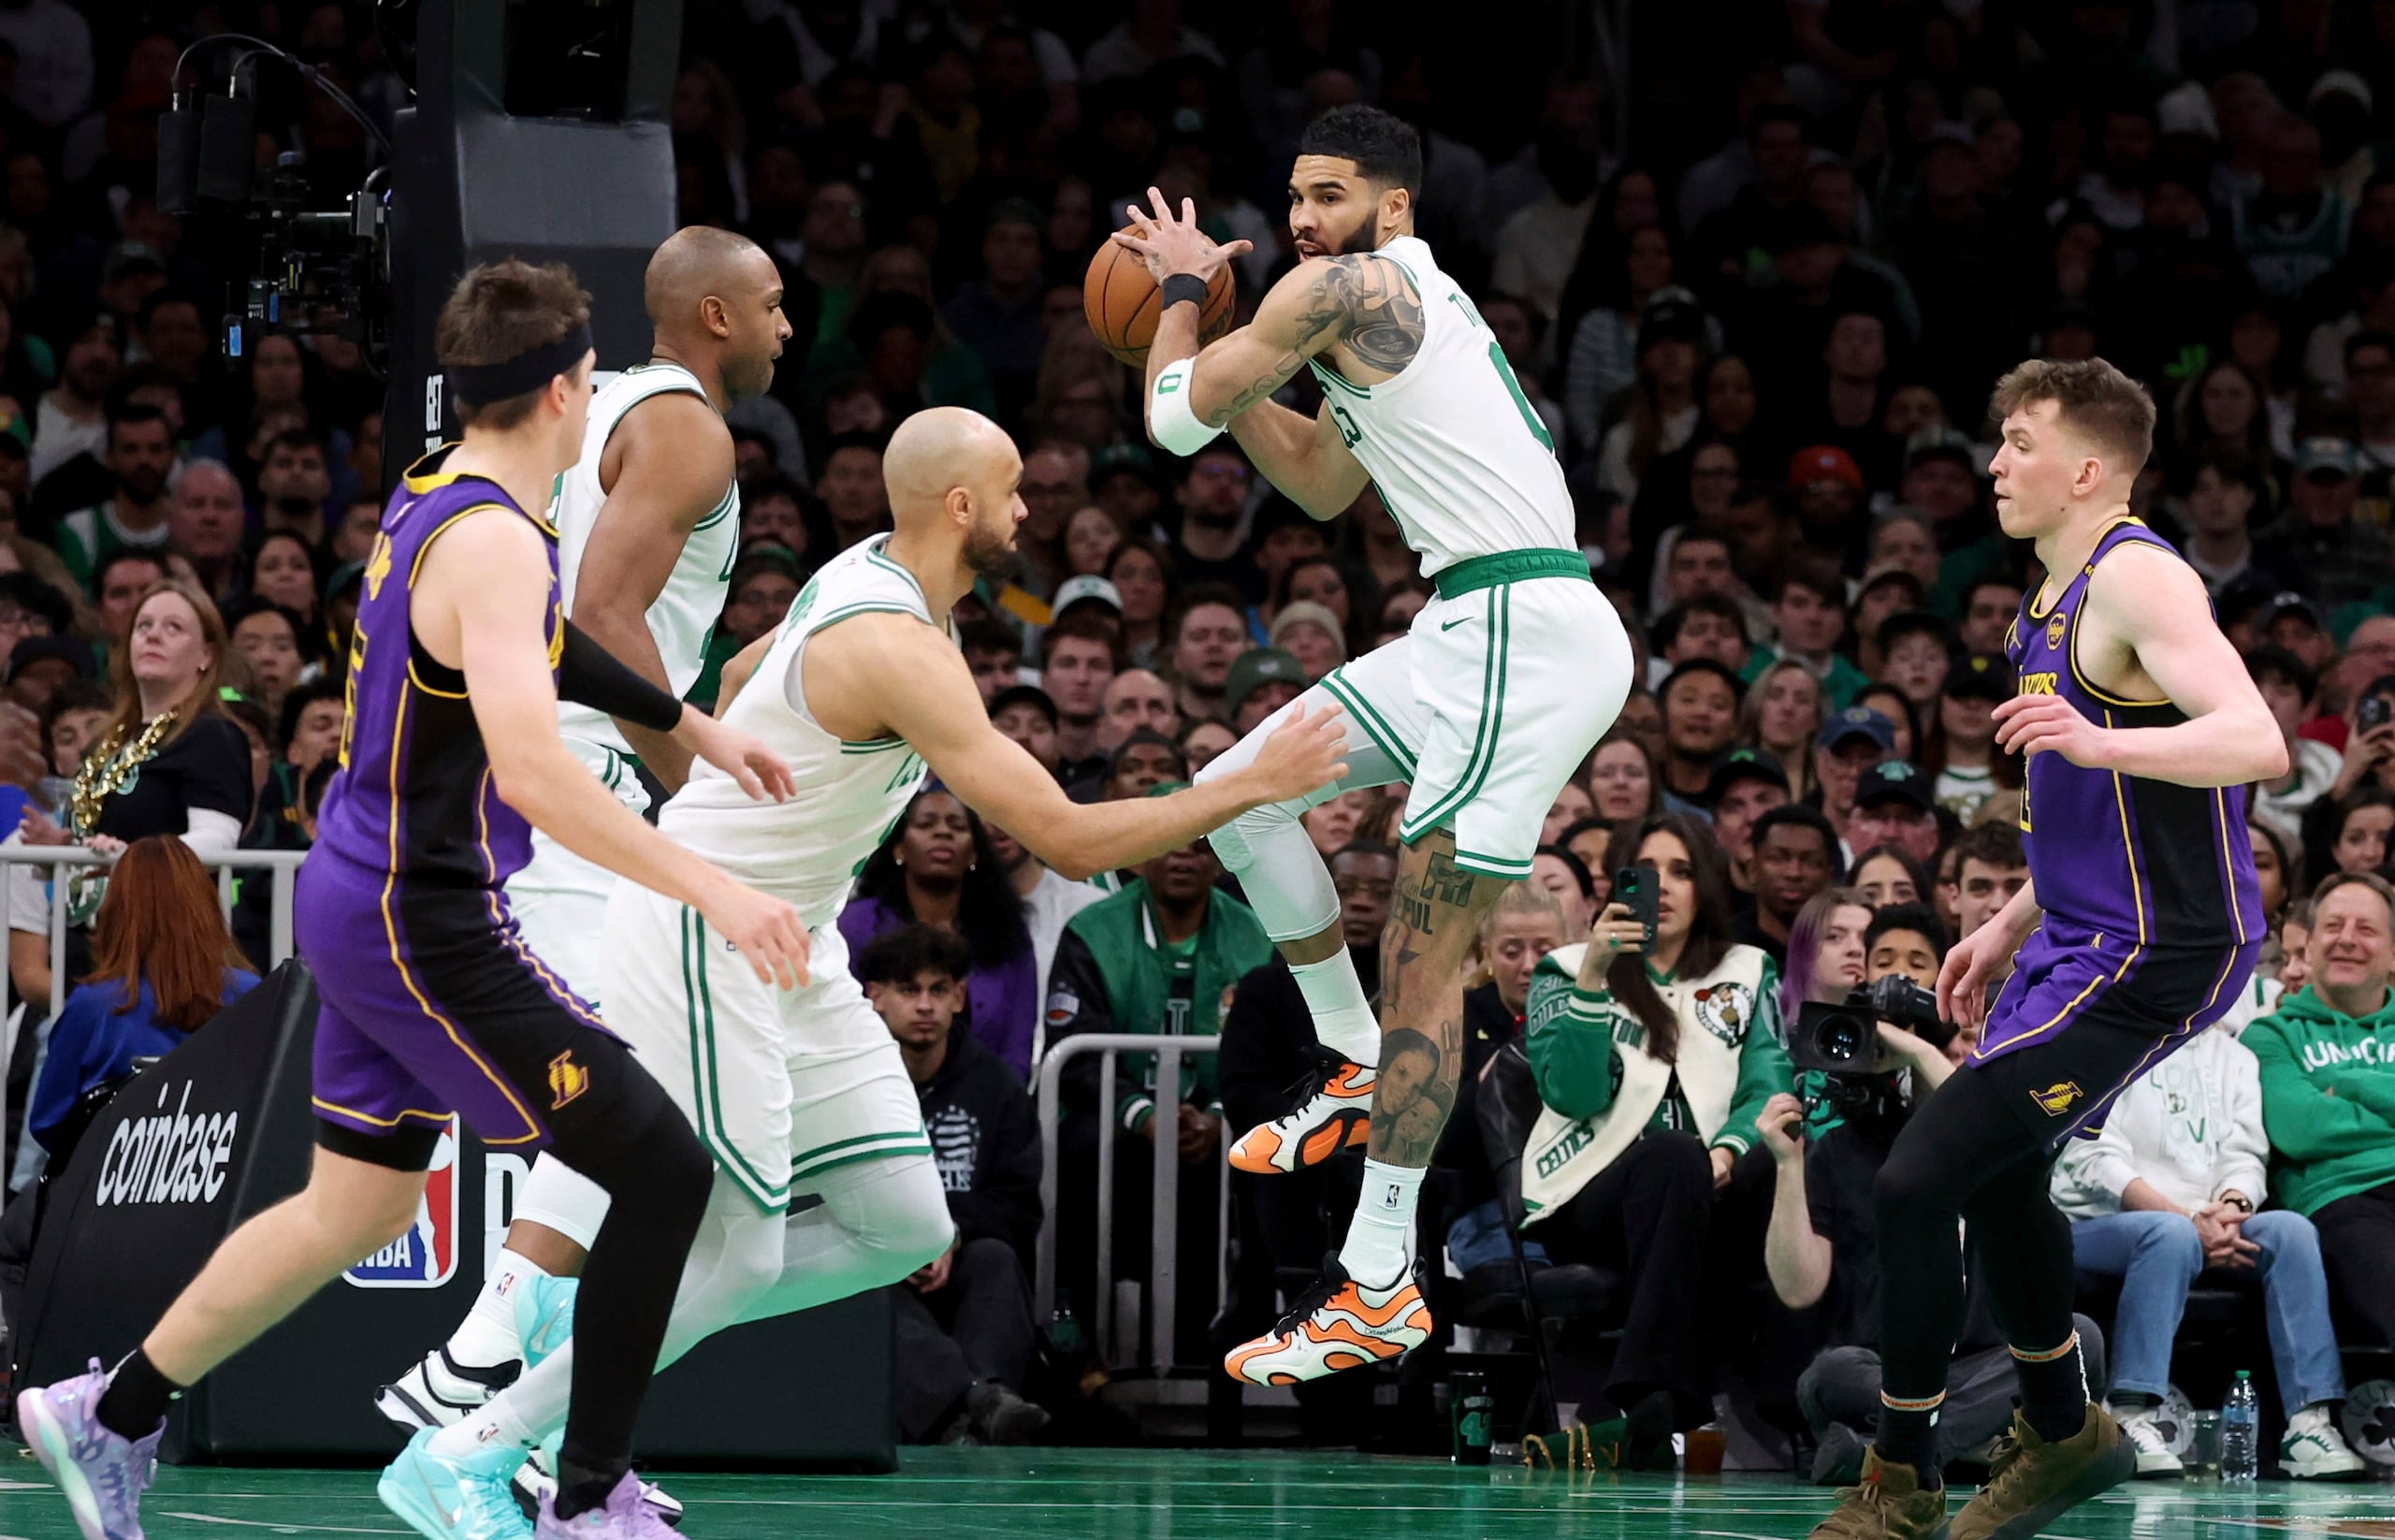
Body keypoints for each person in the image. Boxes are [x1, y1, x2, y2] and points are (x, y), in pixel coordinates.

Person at [400, 406, 1344, 1520]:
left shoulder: (877, 577)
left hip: (794, 940)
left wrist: (730, 760)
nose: (1025, 508)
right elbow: (1065, 839)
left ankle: (561, 1386)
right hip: (711, 933)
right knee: (738, 1256)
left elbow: (754, 663)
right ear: (959, 506)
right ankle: (483, 1444)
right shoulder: (896, 644)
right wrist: (1249, 780)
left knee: (905, 1225)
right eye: (1009, 489)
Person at [14, 260, 816, 1540]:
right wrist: (714, 882)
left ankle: (108, 1412)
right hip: (419, 914)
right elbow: (540, 772)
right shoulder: (497, 537)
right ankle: (592, 1497)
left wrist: (690, 722)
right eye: (590, 373)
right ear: (563, 389)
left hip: (360, 886)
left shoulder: (443, 487)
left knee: (363, 1199)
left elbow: (542, 639)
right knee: (661, 1165)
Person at [1110, 105, 1634, 1383]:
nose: (1303, 218)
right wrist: (1238, 363)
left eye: (1331, 194)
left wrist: (1181, 302)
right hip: (1469, 622)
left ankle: (1379, 1281)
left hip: (1523, 620)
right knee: (1231, 793)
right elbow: (1322, 481)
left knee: (1424, 939)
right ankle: (1350, 1057)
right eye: (1294, 196)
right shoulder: (1382, 319)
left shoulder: (1355, 283)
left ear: (1391, 210)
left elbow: (1172, 421)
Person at [1813, 359, 2284, 1540]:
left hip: (2163, 945)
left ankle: (1904, 1475)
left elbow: (2256, 739)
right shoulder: (2048, 597)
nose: (1995, 463)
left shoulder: (2136, 576)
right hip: (2078, 932)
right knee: (2004, 1168)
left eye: (2019, 441)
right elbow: (2095, 811)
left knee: (1920, 1177)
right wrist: (2009, 917)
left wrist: (2091, 737)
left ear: (2085, 466)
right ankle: (2064, 1428)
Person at [374, 229, 796, 1455]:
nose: (785, 325)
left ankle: (513, 1396)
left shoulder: (580, 403)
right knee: (642, 1098)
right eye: (770, 305)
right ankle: (484, 1359)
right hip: (574, 784)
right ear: (712, 316)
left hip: (504, 770)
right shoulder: (691, 427)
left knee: (649, 1108)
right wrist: (694, 793)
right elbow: (600, 611)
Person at [1514, 814, 1795, 1458]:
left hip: (1713, 1190)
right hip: (1594, 1193)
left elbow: (1766, 1085)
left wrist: (1726, 1153)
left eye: (1683, 871)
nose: (1663, 887)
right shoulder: (1563, 969)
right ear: (1617, 883)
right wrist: (1595, 976)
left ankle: (1803, 1403)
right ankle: (1654, 1398)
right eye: (1648, 871)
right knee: (1671, 1157)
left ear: (1708, 888)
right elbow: (1573, 1094)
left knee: (1797, 1165)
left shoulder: (1748, 969)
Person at [1761, 1015, 2111, 1489]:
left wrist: (1926, 1054)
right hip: (1884, 1370)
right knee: (1827, 1373)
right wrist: (1787, 1163)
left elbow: (1976, 1122)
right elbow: (1798, 1288)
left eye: (1979, 1052)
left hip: (1992, 1363)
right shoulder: (1845, 1150)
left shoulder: (2010, 1145)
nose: (1969, 1066)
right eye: (1951, 1049)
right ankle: (1968, 1445)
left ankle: (1898, 1454)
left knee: (2080, 1339)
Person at [2053, 996, 2367, 1480]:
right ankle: (2129, 1414)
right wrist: (2185, 1218)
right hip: (2096, 1224)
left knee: (2291, 1231)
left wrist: (2235, 1207)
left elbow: (2245, 1154)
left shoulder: (2235, 1058)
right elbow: (2093, 1161)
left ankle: (2308, 1424)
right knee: (2169, 1234)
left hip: (2205, 1222)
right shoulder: (2108, 1041)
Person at [860, 923, 1049, 1447]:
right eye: (908, 989)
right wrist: (907, 1240)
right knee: (859, 1282)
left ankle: (980, 1410)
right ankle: (974, 1404)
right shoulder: (849, 1087)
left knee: (995, 1259)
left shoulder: (998, 1089)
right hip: (879, 1256)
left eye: (938, 990)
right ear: (873, 997)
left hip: (960, 1257)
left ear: (960, 998)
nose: (925, 1005)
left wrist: (950, 1234)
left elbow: (1018, 1206)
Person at [16, 580, 252, 929]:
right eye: (144, 626)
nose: (153, 636)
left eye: (174, 627)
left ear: (206, 655)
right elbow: (105, 842)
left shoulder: (212, 735)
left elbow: (217, 841)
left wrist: (133, 859)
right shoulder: (105, 742)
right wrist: (64, 849)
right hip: (91, 939)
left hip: (166, 942)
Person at [2244, 873, 2395, 1391]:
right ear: (2307, 946)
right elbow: (2301, 1129)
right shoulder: (2270, 1035)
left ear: (2394, 953)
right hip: (2341, 1199)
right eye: (2332, 926)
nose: (2347, 938)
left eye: (2366, 929)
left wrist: (2346, 1082)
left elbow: (2321, 1111)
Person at [25, 835, 256, 1153]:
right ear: (205, 905)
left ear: (118, 911)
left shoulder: (93, 1007)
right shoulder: (252, 995)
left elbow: (49, 1122)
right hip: (223, 1188)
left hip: (110, 1191)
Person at [840, 787, 1038, 1077]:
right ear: (899, 848)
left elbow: (1018, 1043)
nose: (943, 832)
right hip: (874, 1089)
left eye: (957, 826)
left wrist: (999, 1104)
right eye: (926, 824)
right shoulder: (856, 924)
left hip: (984, 1099)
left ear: (974, 853)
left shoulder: (1007, 930)